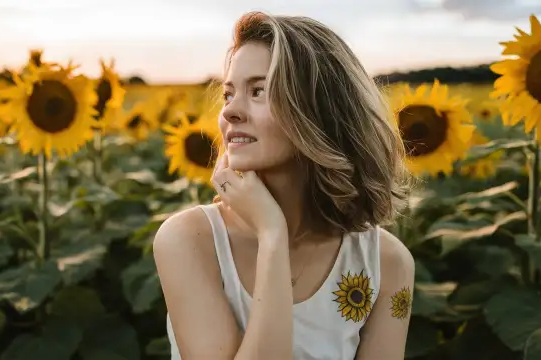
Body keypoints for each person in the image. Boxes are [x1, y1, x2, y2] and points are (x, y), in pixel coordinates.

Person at [153, 11, 415, 360]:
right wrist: (272, 234)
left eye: (258, 91)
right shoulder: (190, 241)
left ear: (319, 111)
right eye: (230, 94)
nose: (230, 112)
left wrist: (270, 231)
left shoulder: (386, 262)